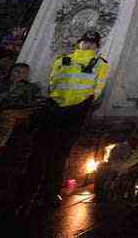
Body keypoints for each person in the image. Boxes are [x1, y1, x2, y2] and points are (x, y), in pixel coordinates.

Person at [31, 31, 110, 205]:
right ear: (79, 43)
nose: (88, 45)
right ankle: (30, 189)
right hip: (54, 108)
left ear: (97, 47)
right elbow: (52, 82)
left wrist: (84, 104)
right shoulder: (62, 59)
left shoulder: (100, 64)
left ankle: (50, 192)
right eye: (85, 42)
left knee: (61, 153)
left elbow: (98, 88)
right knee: (41, 150)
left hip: (77, 111)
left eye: (92, 44)